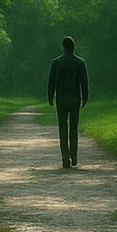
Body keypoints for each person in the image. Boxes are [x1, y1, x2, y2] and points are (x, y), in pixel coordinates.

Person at [46, 36, 89, 168]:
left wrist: (50, 97)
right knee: (74, 128)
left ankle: (65, 158)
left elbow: (51, 81)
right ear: (73, 46)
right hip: (75, 99)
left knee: (63, 129)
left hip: (61, 99)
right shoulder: (80, 62)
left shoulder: (56, 62)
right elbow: (84, 82)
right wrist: (85, 97)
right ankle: (74, 157)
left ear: (63, 46)